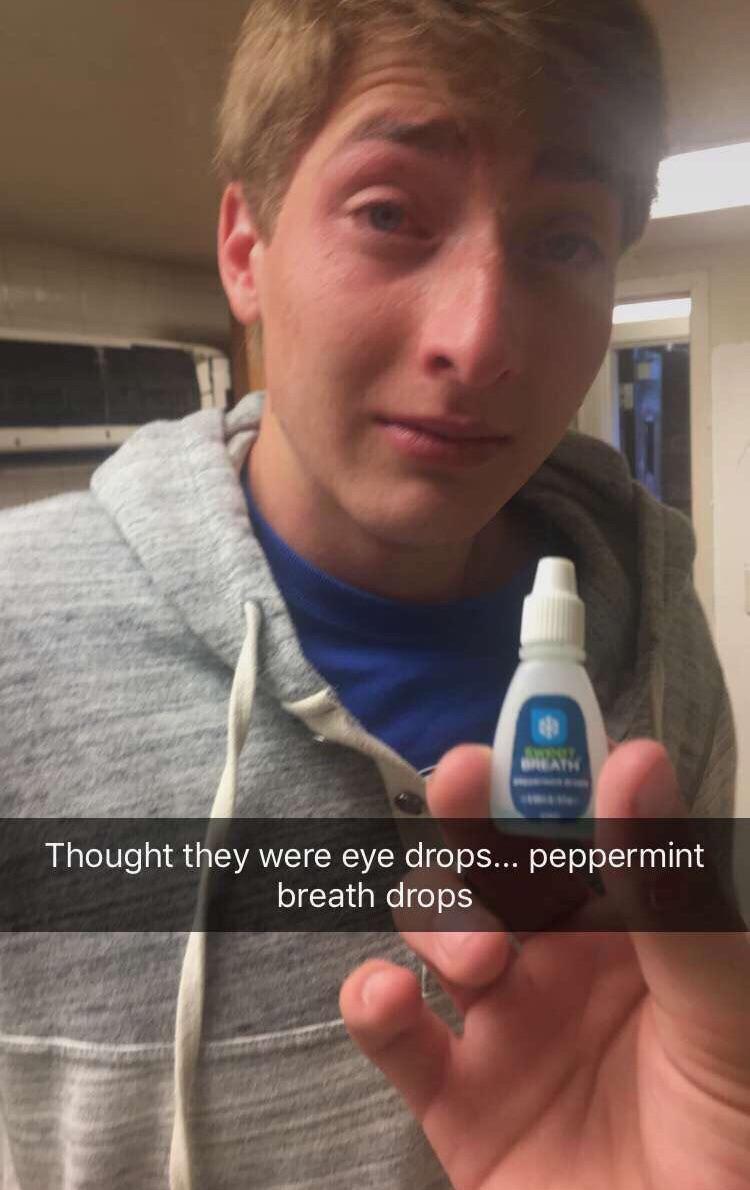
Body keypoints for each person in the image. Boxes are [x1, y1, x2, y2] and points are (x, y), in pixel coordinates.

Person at [0, 1, 746, 1188]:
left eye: (563, 241)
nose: (478, 339)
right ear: (246, 249)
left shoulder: (660, 647)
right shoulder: (18, 636)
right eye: (391, 212)